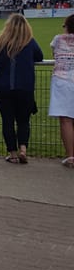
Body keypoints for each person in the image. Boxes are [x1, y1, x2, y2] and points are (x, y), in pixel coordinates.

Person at [0, 13, 43, 164]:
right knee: (24, 121)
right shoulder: (30, 42)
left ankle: (12, 153)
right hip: (24, 87)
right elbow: (40, 56)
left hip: (3, 88)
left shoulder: (1, 42)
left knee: (7, 120)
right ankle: (23, 149)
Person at [48, 13, 74, 167]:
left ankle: (70, 156)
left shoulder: (58, 39)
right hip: (65, 79)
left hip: (62, 80)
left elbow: (54, 52)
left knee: (65, 120)